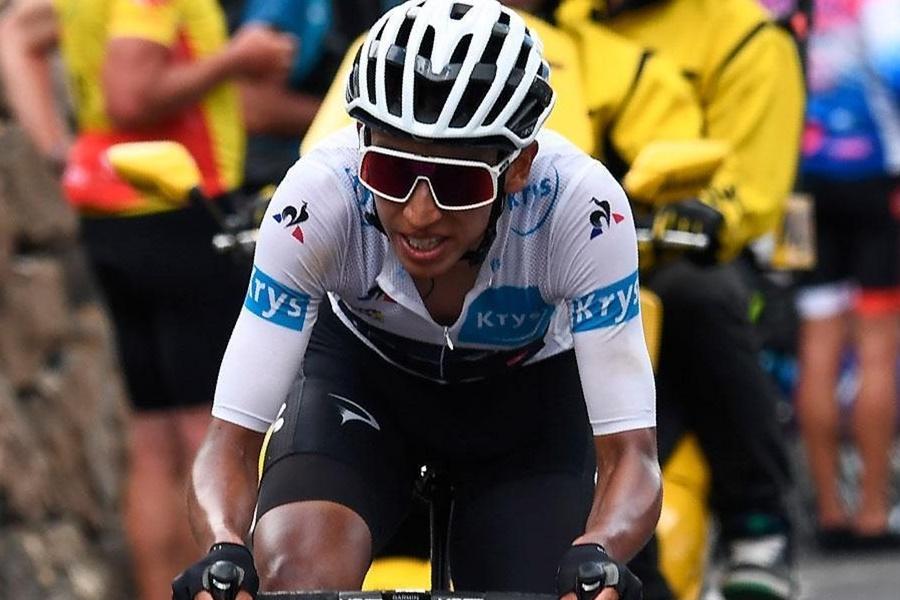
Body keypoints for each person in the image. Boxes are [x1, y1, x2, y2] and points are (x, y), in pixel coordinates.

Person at [173, 2, 661, 600]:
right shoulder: (318, 198)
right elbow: (230, 441)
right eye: (391, 173)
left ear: (519, 168)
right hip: (362, 386)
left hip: (525, 407)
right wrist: (224, 549)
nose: (419, 213)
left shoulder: (580, 209)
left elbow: (632, 456)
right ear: (361, 152)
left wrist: (600, 553)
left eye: (457, 183)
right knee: (295, 581)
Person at [0, 2, 294, 600]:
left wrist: (60, 150)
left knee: (153, 439)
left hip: (110, 215)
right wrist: (235, 59)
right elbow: (131, 95)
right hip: (178, 213)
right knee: (209, 434)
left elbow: (18, 33)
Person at [556, 1, 806, 599]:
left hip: (696, 251)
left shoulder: (750, 39)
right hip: (564, 242)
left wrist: (709, 213)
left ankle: (757, 522)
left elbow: (755, 184)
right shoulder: (565, 21)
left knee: (700, 297)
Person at [794, 0, 900, 550]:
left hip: (800, 189)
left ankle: (830, 513)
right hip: (876, 181)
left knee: (817, 342)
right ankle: (873, 515)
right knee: (877, 348)